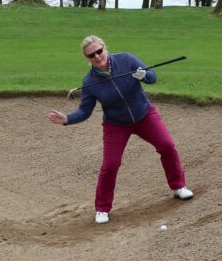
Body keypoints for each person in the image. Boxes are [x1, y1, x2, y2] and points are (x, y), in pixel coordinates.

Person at [46, 35, 193, 224]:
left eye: (99, 51)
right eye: (92, 55)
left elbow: (152, 77)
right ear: (87, 59)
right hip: (116, 124)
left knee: (167, 145)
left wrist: (144, 75)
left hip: (144, 115)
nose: (97, 56)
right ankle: (102, 209)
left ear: (105, 48)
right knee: (110, 165)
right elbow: (84, 111)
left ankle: (179, 187)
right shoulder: (90, 82)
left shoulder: (127, 59)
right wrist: (67, 119)